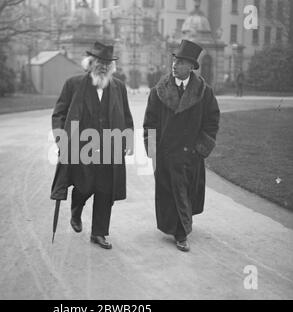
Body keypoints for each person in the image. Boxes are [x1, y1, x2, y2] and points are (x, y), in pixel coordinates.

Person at [51, 41, 134, 250]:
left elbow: (126, 116)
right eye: (99, 61)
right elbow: (59, 114)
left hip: (109, 147)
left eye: (107, 62)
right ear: (90, 62)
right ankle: (76, 209)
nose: (103, 66)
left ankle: (99, 233)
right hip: (82, 147)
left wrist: (128, 139)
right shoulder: (73, 85)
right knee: (83, 185)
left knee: (105, 191)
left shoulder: (118, 87)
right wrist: (62, 139)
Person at [143, 39, 220, 252]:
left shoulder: (204, 92)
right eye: (174, 61)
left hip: (191, 155)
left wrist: (200, 149)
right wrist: (152, 150)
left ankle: (181, 231)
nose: (175, 65)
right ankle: (179, 232)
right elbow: (150, 123)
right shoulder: (158, 91)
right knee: (170, 193)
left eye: (181, 62)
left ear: (192, 67)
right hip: (166, 155)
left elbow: (212, 122)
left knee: (185, 192)